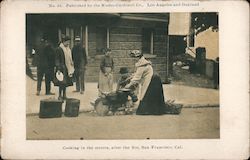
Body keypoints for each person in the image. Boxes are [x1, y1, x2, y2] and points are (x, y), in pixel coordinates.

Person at [125, 50, 165, 115]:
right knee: (150, 95)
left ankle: (147, 111)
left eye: (134, 58)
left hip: (151, 80)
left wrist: (129, 85)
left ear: (138, 57)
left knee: (145, 94)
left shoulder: (142, 65)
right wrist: (131, 77)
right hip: (154, 79)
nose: (133, 60)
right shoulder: (143, 62)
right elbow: (138, 73)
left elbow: (137, 78)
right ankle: (154, 111)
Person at [53, 36, 75, 100]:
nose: (68, 43)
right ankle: (60, 95)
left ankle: (64, 95)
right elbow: (57, 59)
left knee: (65, 83)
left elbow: (69, 58)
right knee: (61, 83)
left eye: (69, 42)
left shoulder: (68, 49)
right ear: (64, 42)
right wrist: (58, 68)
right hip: (61, 68)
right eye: (67, 42)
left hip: (66, 68)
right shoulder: (59, 49)